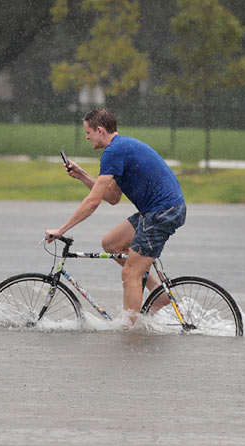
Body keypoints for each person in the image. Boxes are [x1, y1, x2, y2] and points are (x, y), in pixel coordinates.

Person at [46, 107, 186, 324]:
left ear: (100, 130)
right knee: (111, 243)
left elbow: (93, 201)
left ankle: (130, 333)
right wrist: (82, 175)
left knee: (130, 273)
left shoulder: (114, 151)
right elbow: (112, 196)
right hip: (156, 210)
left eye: (88, 132)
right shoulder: (118, 149)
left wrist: (61, 230)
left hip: (163, 212)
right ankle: (158, 294)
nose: (86, 136)